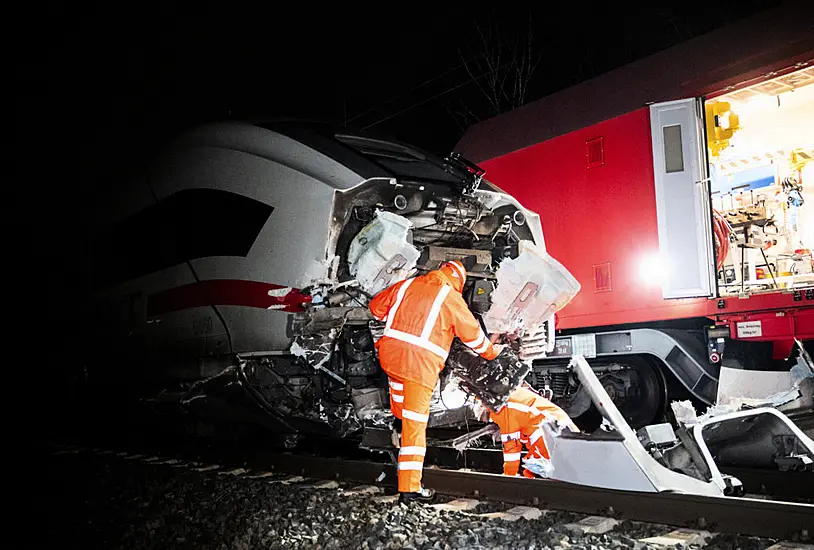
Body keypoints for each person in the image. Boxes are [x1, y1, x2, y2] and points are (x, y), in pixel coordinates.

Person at [369, 259, 500, 503]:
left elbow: (375, 308)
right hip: (419, 368)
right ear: (459, 282)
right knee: (415, 428)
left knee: (400, 400)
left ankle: (397, 424)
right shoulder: (450, 297)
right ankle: (409, 490)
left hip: (391, 358)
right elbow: (473, 337)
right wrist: (493, 354)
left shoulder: (408, 285)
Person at [477, 383, 578, 478]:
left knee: (540, 473)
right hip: (561, 430)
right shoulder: (511, 396)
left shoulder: (504, 410)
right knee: (531, 472)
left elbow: (511, 448)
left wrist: (508, 477)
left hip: (554, 435)